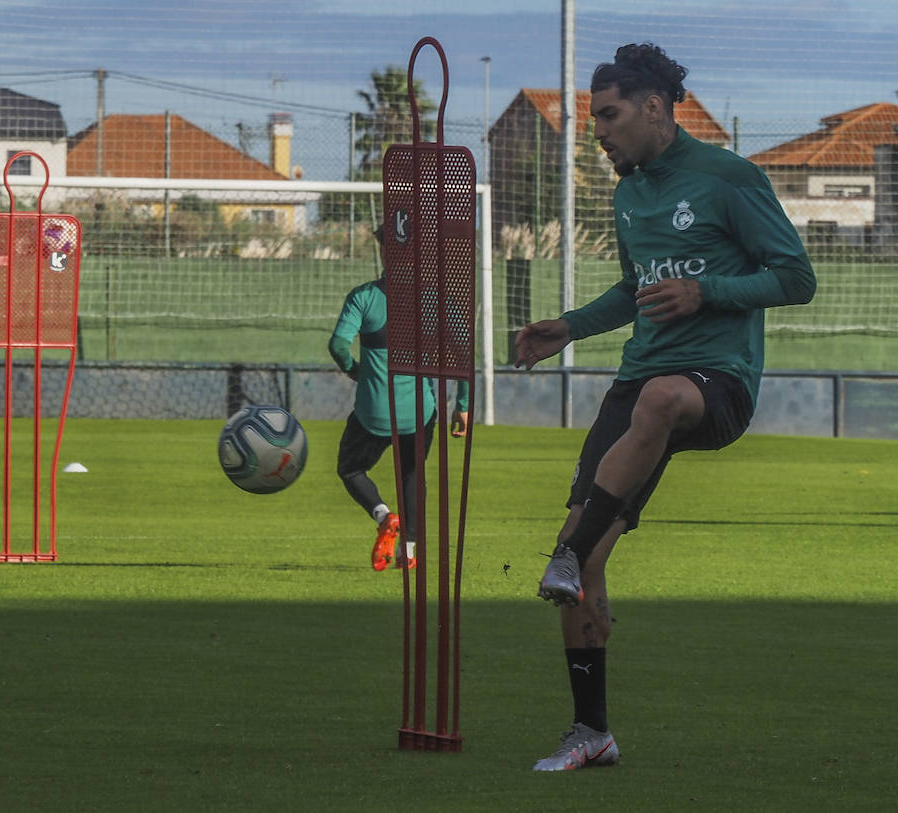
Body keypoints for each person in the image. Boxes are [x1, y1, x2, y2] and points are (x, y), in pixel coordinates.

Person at [516, 43, 815, 771]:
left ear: (655, 107)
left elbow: (796, 277)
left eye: (610, 116)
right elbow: (634, 289)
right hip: (640, 383)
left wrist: (708, 291)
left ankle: (569, 557)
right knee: (582, 563)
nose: (600, 133)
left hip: (716, 381)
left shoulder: (729, 178)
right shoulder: (628, 193)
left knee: (658, 399)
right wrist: (570, 326)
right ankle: (592, 732)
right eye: (595, 121)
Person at [330, 226, 470, 571]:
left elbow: (337, 345)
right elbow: (464, 353)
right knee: (411, 474)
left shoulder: (363, 296)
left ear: (382, 251)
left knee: (350, 469)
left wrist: (354, 369)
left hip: (373, 412)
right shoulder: (437, 299)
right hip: (418, 414)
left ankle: (382, 515)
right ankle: (408, 552)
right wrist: (463, 406)